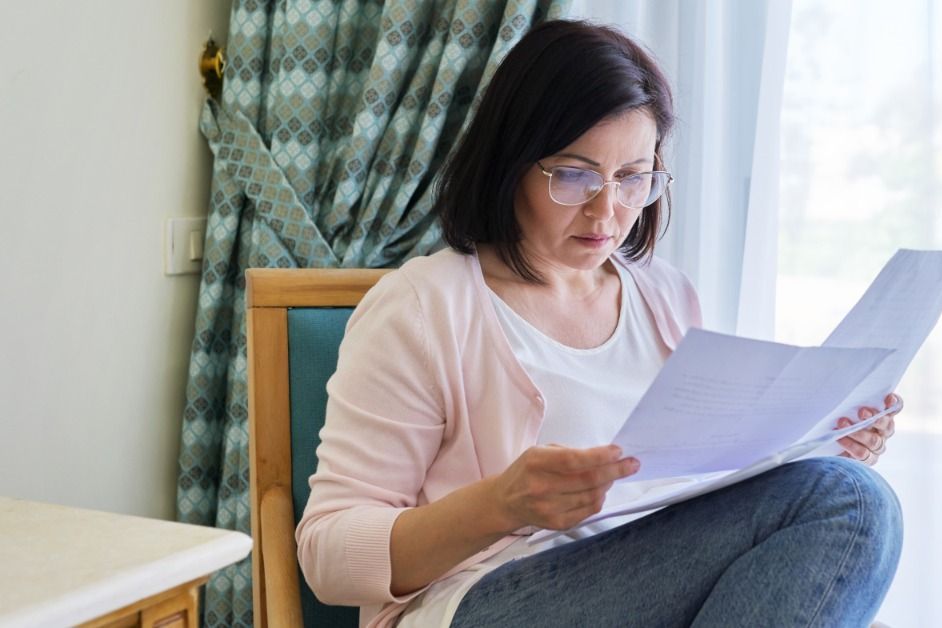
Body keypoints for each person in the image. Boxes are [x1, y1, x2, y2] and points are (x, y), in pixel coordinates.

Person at [296, 19, 903, 628]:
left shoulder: (666, 297)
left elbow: (715, 502)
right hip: (485, 602)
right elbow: (327, 557)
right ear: (511, 162)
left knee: (844, 488)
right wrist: (500, 504)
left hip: (656, 594)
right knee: (849, 501)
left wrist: (818, 444)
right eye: (576, 174)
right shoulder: (424, 308)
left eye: (633, 177)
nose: (607, 210)